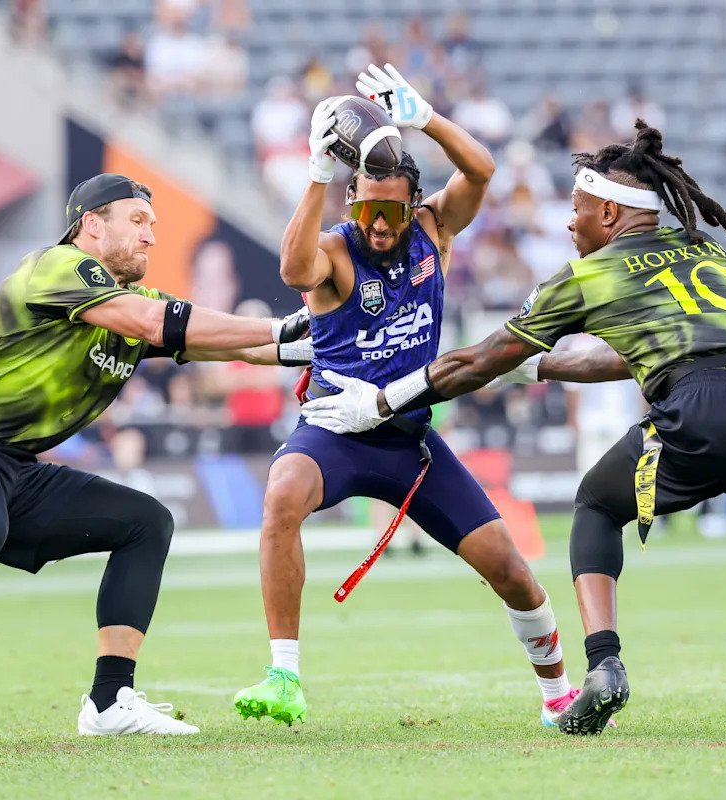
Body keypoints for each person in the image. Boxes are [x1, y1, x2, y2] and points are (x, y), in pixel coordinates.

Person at [301, 121, 726, 736]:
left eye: (578, 208)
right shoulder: (707, 250)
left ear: (611, 211)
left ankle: (603, 667)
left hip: (700, 408)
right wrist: (535, 367)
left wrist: (383, 401)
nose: (570, 223)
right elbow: (633, 353)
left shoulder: (591, 274)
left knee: (595, 504)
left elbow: (478, 358)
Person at [0, 174, 311, 736]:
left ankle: (109, 702)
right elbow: (161, 324)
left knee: (145, 522)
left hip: (11, 467)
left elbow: (226, 340)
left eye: (154, 225)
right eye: (138, 221)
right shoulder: (55, 265)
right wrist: (282, 325)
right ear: (91, 225)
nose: (151, 236)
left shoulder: (131, 306)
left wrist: (313, 343)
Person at [233, 65, 580, 729]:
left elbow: (479, 172)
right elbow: (291, 270)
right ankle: (284, 674)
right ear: (350, 202)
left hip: (408, 443)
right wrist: (315, 169)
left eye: (391, 211)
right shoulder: (336, 250)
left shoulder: (433, 232)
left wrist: (426, 119)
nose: (380, 225)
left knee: (508, 566)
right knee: (281, 494)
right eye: (366, 209)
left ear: (412, 203)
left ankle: (559, 693)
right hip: (334, 431)